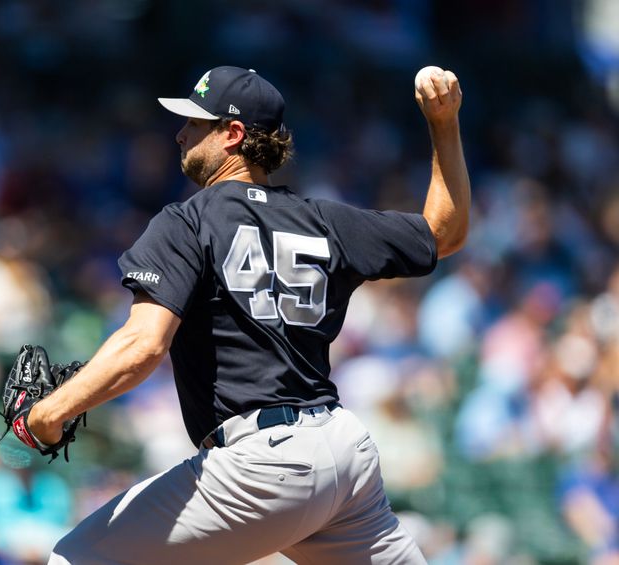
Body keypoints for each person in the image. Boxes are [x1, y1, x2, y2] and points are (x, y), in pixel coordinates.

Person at [28, 65, 469, 564]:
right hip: (343, 453)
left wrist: (49, 413)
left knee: (74, 559)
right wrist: (444, 123)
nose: (180, 133)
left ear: (232, 134)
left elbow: (142, 346)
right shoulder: (325, 220)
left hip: (263, 465)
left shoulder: (186, 222)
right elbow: (444, 234)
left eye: (195, 124)